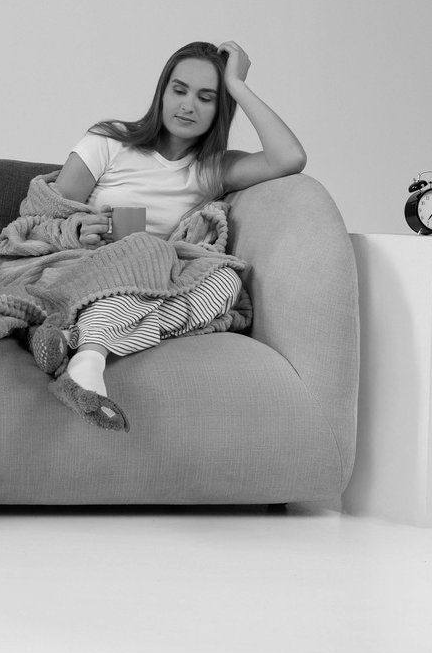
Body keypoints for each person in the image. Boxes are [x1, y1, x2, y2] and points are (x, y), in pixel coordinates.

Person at [47, 39, 306, 427]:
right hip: (94, 270)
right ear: (162, 92)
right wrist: (77, 229)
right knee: (141, 254)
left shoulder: (213, 168)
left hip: (155, 284)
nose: (188, 105)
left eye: (206, 97)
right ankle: (91, 356)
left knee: (225, 281)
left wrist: (236, 85)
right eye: (179, 90)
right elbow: (47, 214)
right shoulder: (109, 141)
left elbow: (290, 158)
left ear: (220, 109)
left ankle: (78, 344)